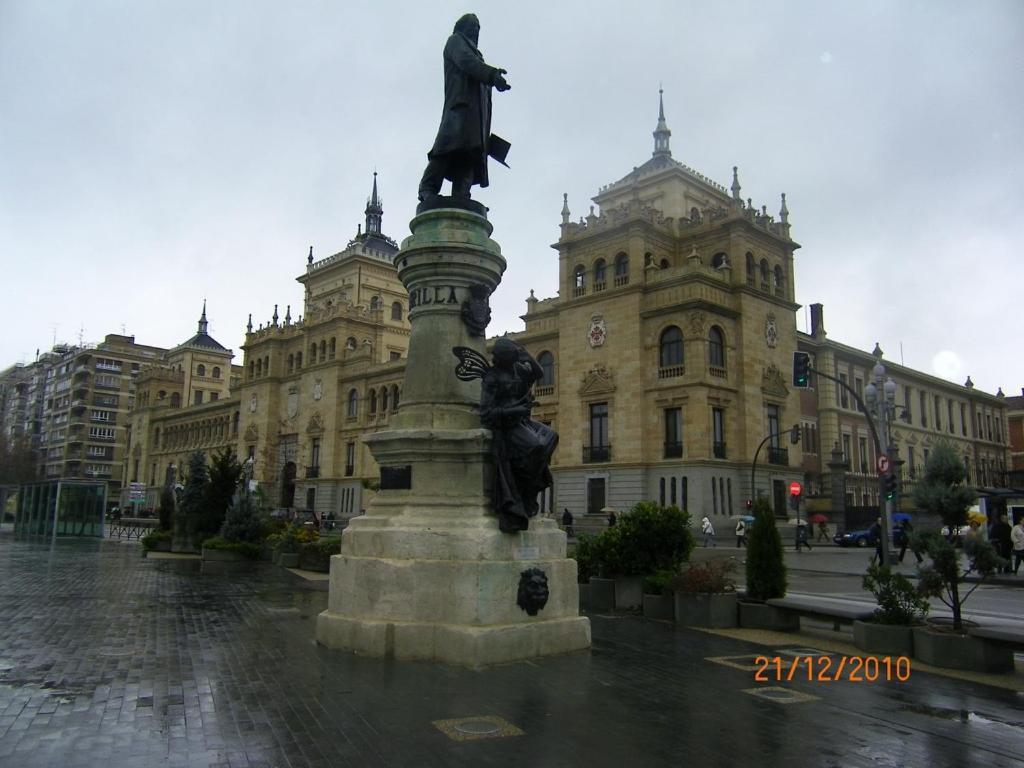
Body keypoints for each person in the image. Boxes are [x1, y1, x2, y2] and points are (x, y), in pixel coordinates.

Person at [418, 14, 511, 202]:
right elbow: (466, 62)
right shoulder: (455, 42)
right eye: (472, 26)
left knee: (470, 154)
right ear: (461, 27)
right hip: (459, 109)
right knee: (445, 149)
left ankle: (462, 196)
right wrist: (492, 75)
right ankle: (427, 188)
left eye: (478, 28)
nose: (476, 31)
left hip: (476, 118)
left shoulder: (478, 56)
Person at [479, 338, 558, 533]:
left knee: (552, 436)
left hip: (523, 422)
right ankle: (524, 487)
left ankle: (529, 482)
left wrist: (525, 353)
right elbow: (487, 413)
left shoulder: (518, 372)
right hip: (508, 424)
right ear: (504, 358)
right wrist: (513, 410)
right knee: (536, 446)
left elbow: (538, 372)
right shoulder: (492, 378)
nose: (515, 359)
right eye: (512, 355)